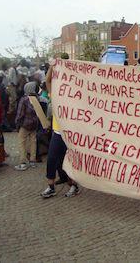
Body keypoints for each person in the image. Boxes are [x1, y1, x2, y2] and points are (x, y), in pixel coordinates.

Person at [41, 55, 80, 198]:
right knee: (51, 159)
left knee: (67, 162)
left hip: (70, 134)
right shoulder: (55, 95)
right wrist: (53, 66)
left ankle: (73, 186)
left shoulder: (74, 98)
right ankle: (50, 187)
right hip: (57, 133)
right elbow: (47, 80)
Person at [14, 83, 39, 171]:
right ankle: (32, 161)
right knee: (33, 142)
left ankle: (23, 162)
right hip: (34, 124)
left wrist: (17, 123)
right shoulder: (36, 98)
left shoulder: (24, 99)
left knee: (22, 142)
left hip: (25, 124)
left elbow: (20, 114)